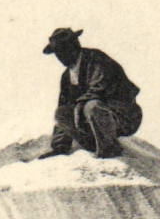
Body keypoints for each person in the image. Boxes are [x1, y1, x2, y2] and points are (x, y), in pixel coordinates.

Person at [39, 28, 141, 159]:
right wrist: (59, 146)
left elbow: (99, 88)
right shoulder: (66, 76)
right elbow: (64, 105)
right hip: (91, 122)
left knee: (92, 106)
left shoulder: (97, 59)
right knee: (62, 112)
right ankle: (73, 146)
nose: (60, 56)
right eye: (57, 52)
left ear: (74, 46)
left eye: (63, 50)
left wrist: (79, 106)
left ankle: (110, 149)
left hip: (124, 115)